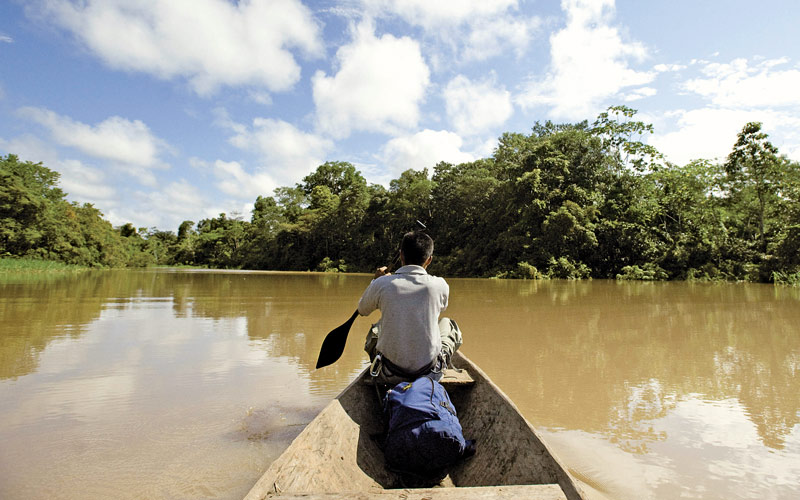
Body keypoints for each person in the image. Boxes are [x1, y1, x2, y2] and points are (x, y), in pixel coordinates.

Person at [358, 231, 462, 385]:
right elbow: (441, 308)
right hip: (430, 373)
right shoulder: (440, 285)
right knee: (447, 323)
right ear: (429, 260)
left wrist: (375, 281)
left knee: (376, 329)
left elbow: (362, 309)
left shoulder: (382, 284)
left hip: (389, 373)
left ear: (401, 255)